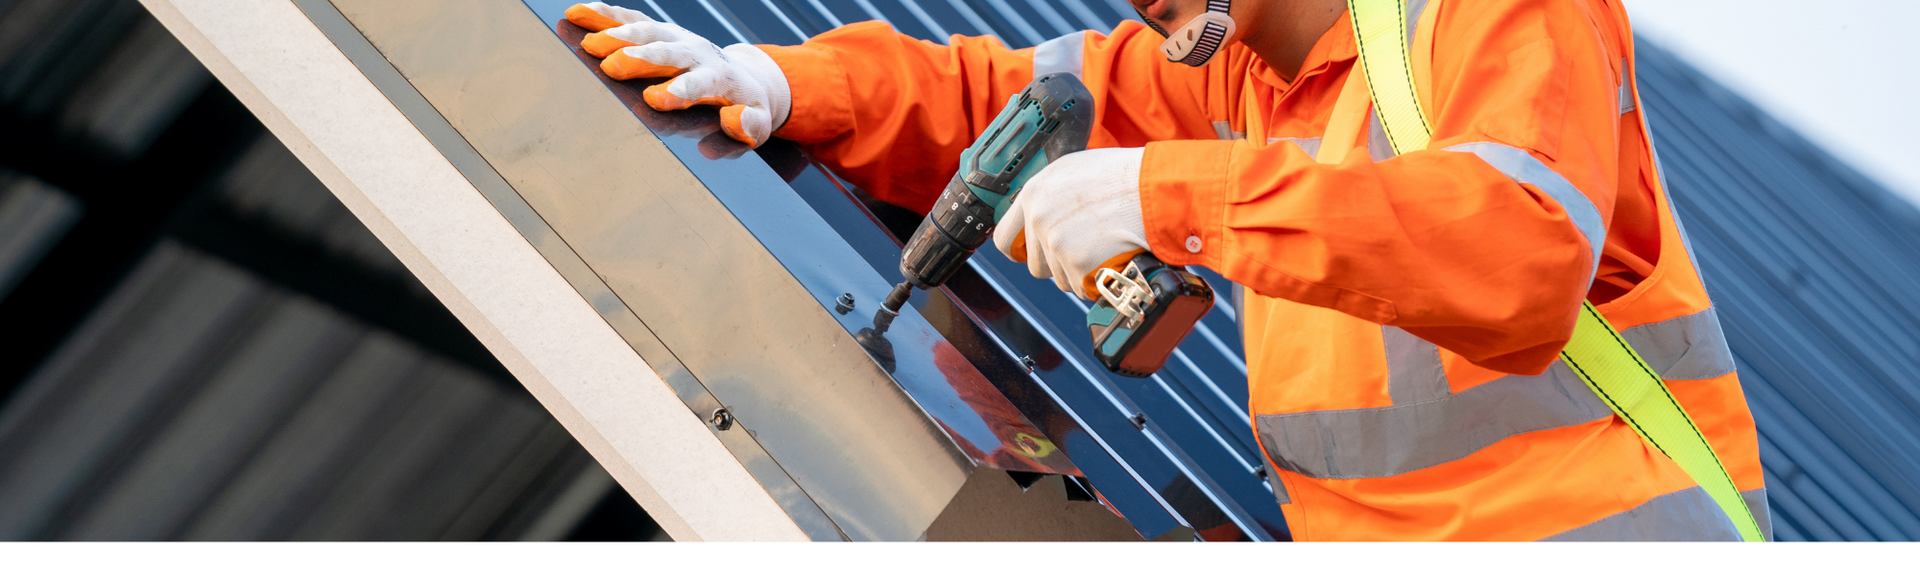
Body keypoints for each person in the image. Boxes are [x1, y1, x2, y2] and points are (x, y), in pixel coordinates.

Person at [560, 0, 1769, 541]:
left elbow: (1511, 248)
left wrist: (1166, 193)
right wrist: (782, 85)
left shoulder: (1494, 9)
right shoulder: (1238, 75)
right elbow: (1002, 98)